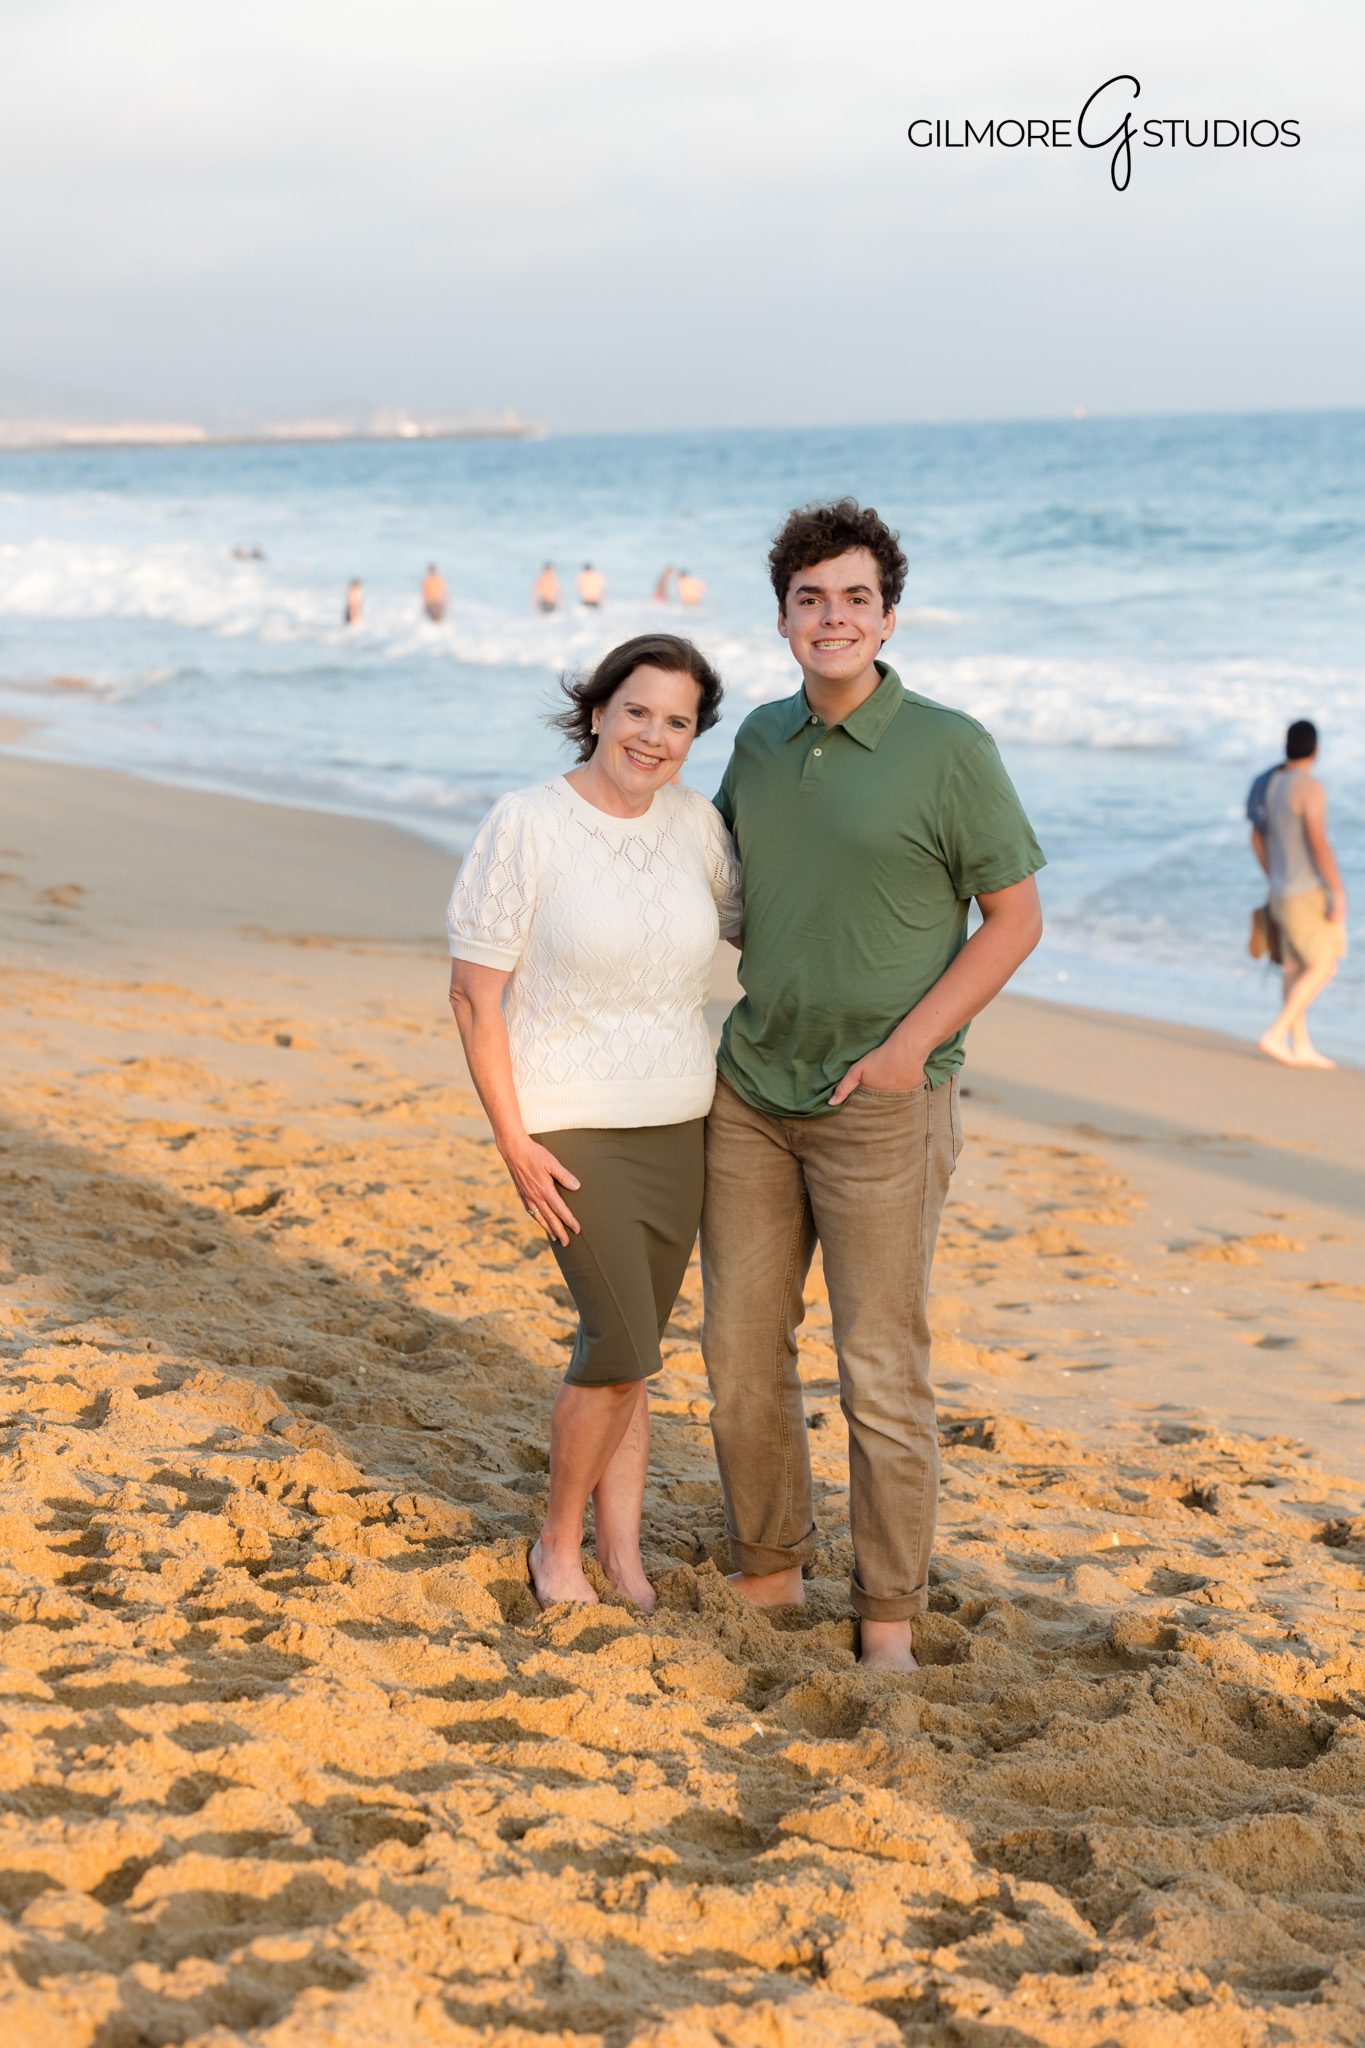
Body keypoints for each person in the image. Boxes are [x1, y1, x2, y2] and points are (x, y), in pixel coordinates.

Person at [702, 499, 1045, 1672]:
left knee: (879, 1369)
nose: (832, 616)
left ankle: (887, 1617)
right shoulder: (755, 739)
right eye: (810, 598)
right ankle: (769, 1571)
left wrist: (908, 1050)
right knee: (741, 1354)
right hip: (751, 1089)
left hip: (883, 1105)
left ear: (888, 615)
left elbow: (1014, 919)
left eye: (854, 596)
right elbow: (715, 888)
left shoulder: (949, 747)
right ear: (785, 618)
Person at [446, 635, 740, 1612]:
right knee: (617, 1340)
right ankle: (557, 1545)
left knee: (637, 1353)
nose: (654, 736)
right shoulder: (527, 822)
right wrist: (513, 1138)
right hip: (568, 1125)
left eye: (679, 721)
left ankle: (626, 1559)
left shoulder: (698, 825)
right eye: (639, 710)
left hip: (679, 1122)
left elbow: (755, 924)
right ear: (600, 709)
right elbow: (474, 998)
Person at [1253, 720, 1347, 1068]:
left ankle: (1300, 1044)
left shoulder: (1273, 784)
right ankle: (1277, 1034)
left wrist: (1270, 876)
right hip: (1304, 891)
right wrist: (1338, 891)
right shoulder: (1309, 786)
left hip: (1279, 889)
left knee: (1294, 969)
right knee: (1324, 965)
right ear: (1316, 750)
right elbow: (1319, 843)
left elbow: (1259, 837)